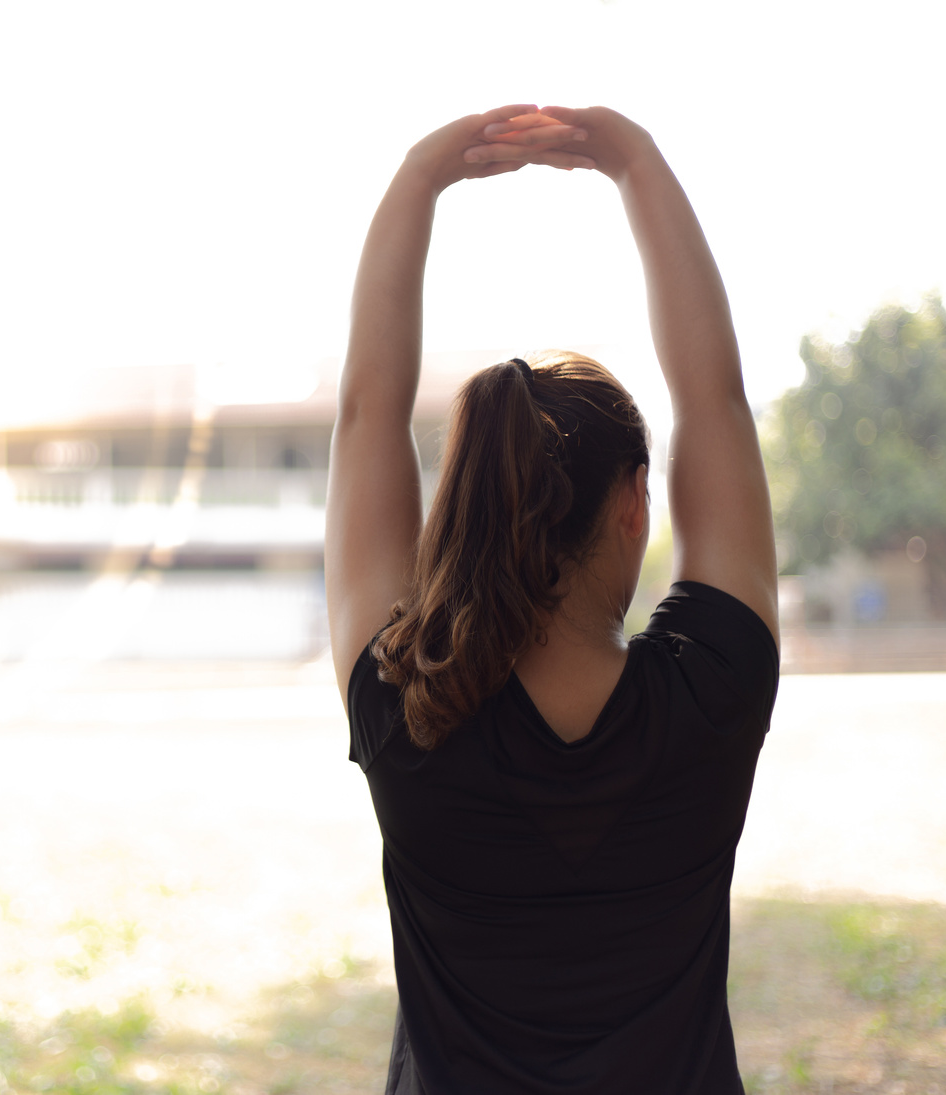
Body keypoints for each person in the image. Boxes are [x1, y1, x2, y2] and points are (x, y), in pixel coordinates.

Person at [324, 104, 781, 1094]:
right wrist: (635, 161)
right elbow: (715, 397)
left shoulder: (406, 707)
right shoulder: (711, 690)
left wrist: (417, 177)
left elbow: (366, 412)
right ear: (631, 507)